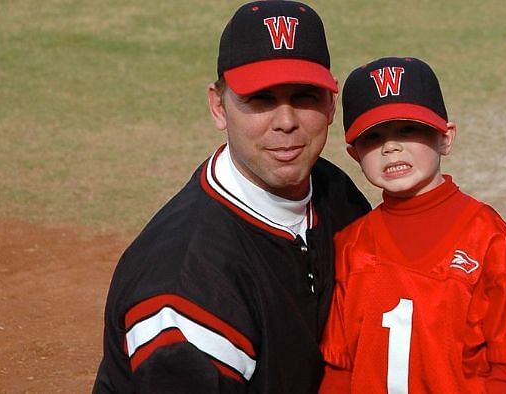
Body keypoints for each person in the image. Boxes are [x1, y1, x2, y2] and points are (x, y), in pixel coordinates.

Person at [93, 2, 371, 392]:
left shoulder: (333, 190)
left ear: (330, 104)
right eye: (260, 100)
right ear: (218, 107)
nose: (286, 121)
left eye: (305, 96)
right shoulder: (187, 279)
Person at [319, 57, 506, 393]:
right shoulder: (352, 244)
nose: (391, 146)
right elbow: (339, 367)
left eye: (408, 129)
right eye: (374, 137)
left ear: (445, 138)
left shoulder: (487, 236)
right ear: (355, 155)